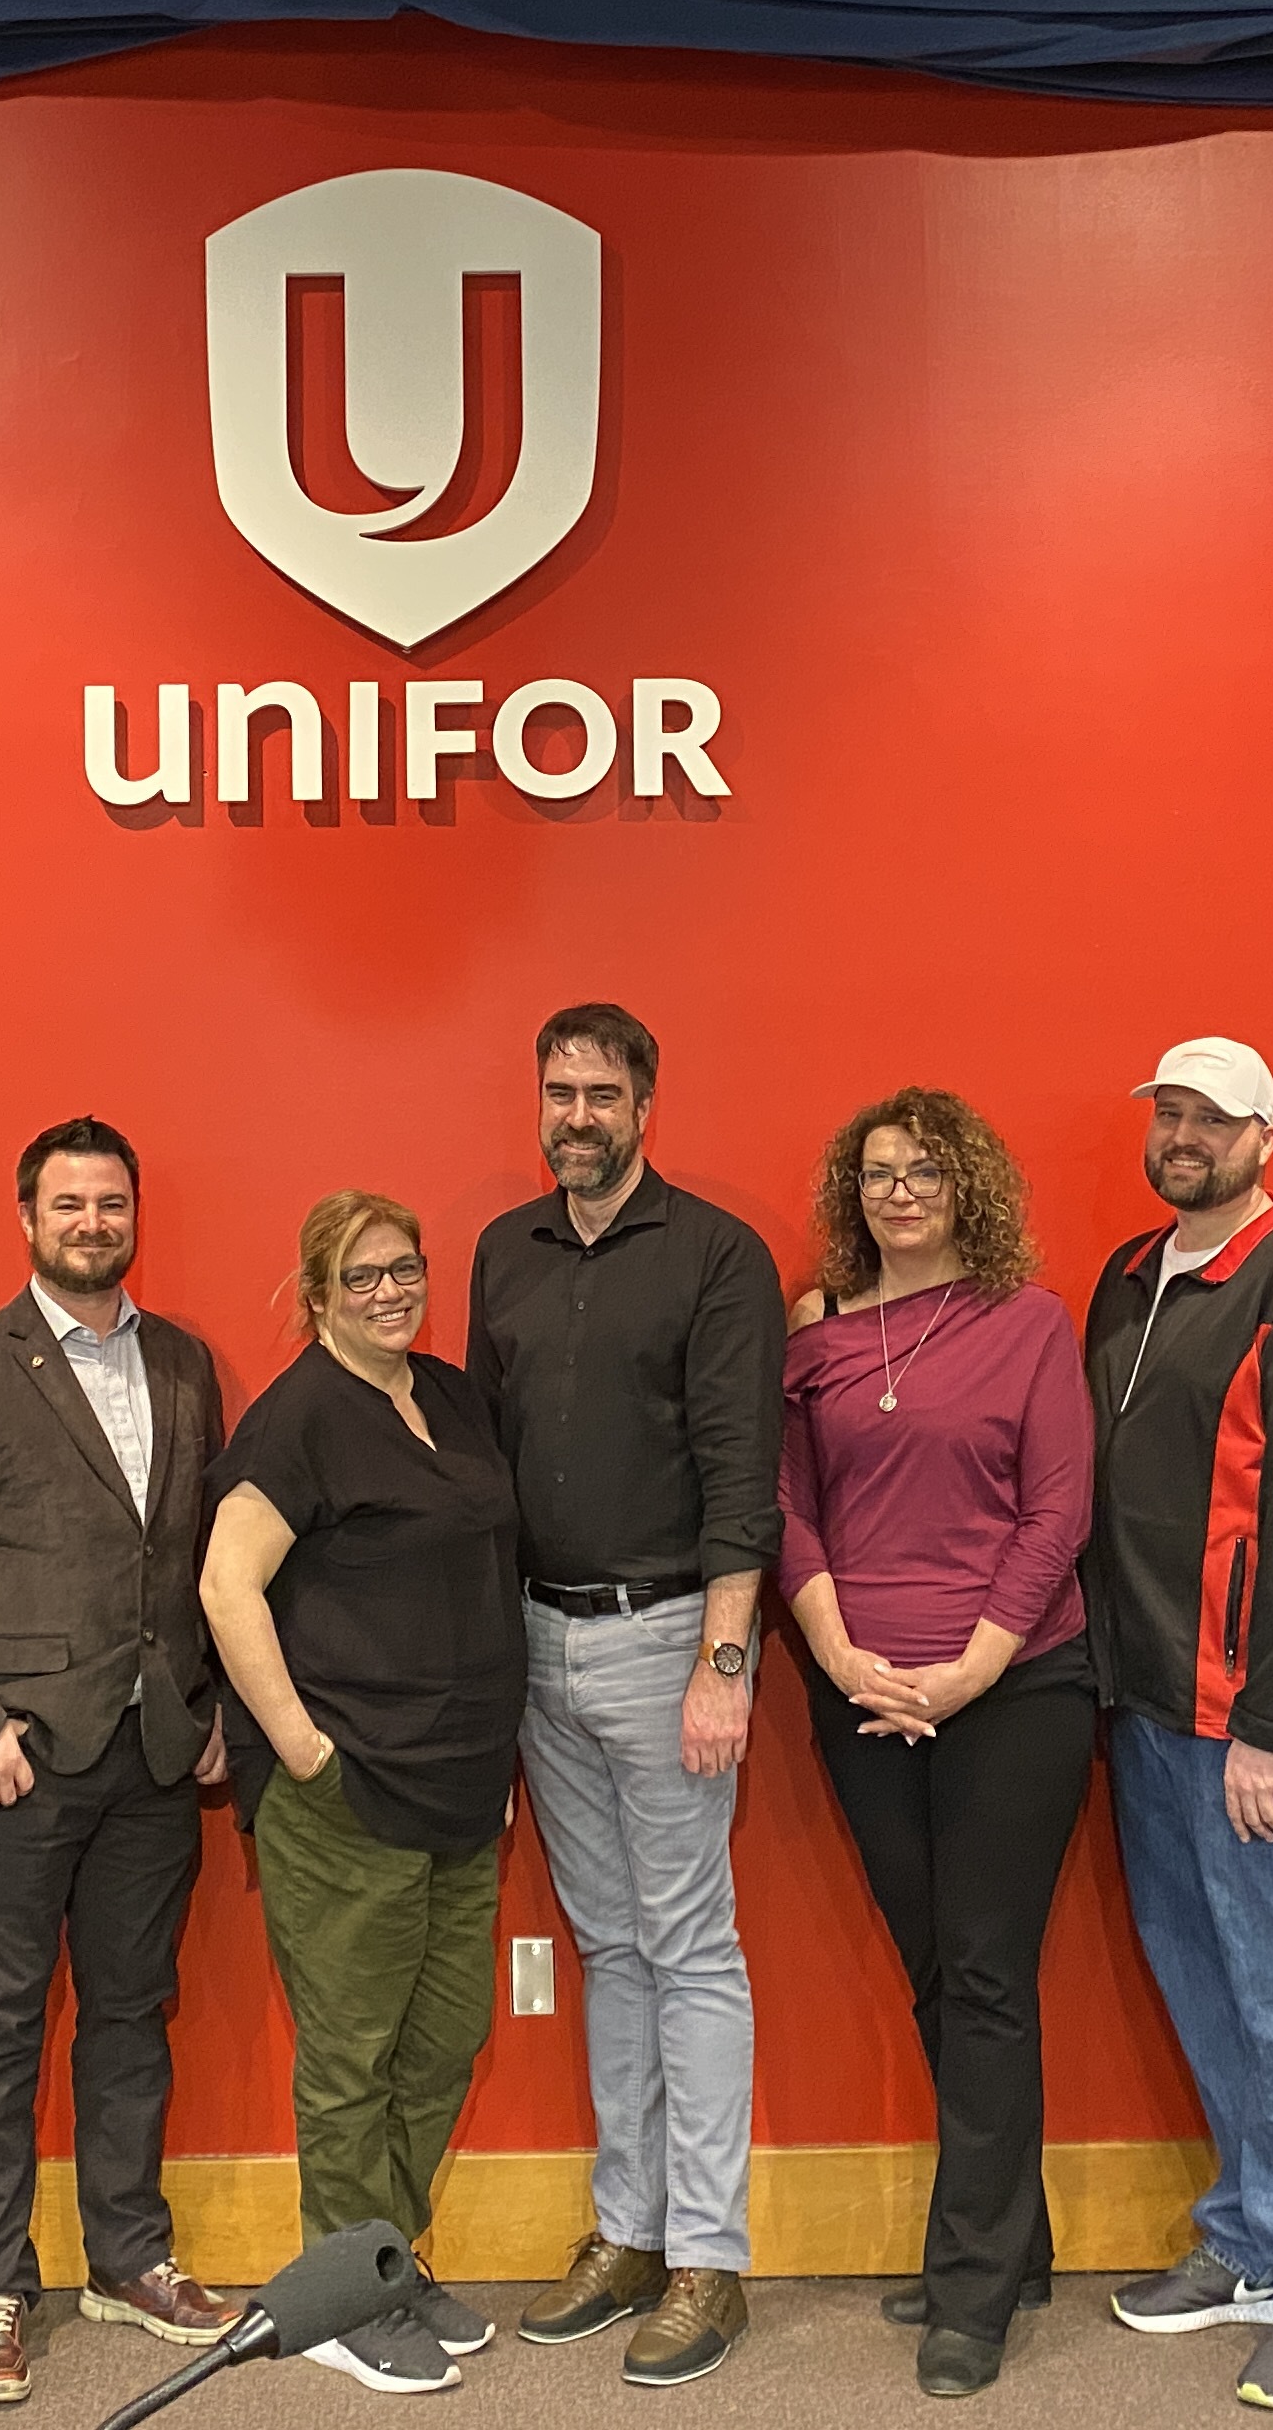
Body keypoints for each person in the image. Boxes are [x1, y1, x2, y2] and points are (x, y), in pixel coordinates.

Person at [0, 1119, 244, 2406]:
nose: (93, 1221)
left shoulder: (188, 1363)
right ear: (26, 1217)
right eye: (69, 1203)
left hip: (151, 1754)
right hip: (14, 1761)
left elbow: (195, 1558)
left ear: (137, 1215)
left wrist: (204, 1708)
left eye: (112, 1202)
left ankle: (126, 2254)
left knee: (134, 2015)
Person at [466, 1000, 784, 2389]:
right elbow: (480, 1463)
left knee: (691, 1946)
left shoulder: (716, 1254)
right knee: (610, 1946)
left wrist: (726, 1664)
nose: (576, 1116)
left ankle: (710, 2258)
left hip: (668, 1645)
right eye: (558, 1092)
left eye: (601, 1093)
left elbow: (741, 1475)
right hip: (538, 1645)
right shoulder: (502, 1252)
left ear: (647, 1105)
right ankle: (629, 2233)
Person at [1082, 1039, 1273, 2413]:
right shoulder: (1128, 1278)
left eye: (1214, 1116)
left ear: (1267, 1134)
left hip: (1252, 1721)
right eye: (1170, 1112)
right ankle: (1259, 2238)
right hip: (1143, 1708)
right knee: (1205, 1978)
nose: (1185, 1134)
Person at [778, 1089, 1096, 2400]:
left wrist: (968, 1669)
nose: (897, 1192)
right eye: (876, 1173)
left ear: (970, 1186)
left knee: (984, 1973)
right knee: (935, 1969)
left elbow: (1059, 1506)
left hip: (1014, 1688)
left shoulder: (1029, 1323)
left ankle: (971, 2290)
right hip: (857, 1689)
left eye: (922, 1171)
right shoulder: (815, 1336)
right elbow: (787, 1508)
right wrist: (844, 1655)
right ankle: (1010, 2237)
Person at [203, 1191, 525, 2398]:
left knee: (444, 2043)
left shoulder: (446, 1397)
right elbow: (228, 1586)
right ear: (317, 1293)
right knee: (351, 2057)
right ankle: (339, 2299)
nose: (392, 1291)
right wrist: (300, 1750)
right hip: (347, 1796)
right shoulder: (299, 1418)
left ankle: (382, 2258)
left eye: (406, 1269)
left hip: (459, 1785)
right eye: (363, 1276)